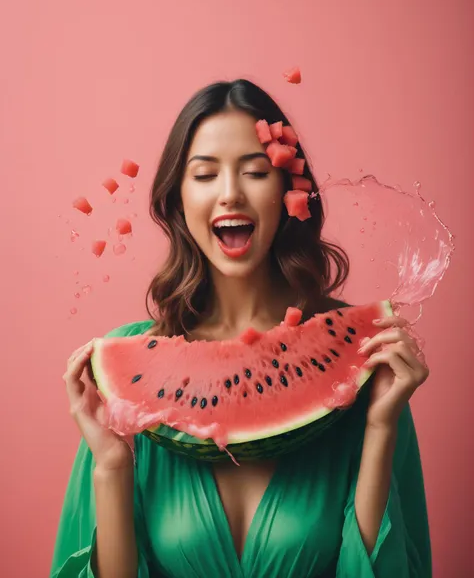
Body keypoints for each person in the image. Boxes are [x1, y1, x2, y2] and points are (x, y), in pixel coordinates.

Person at [51, 79, 432, 578]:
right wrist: (111, 464)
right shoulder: (129, 373)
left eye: (255, 172)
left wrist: (380, 425)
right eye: (205, 175)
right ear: (178, 200)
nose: (230, 194)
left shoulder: (365, 362)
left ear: (289, 191)